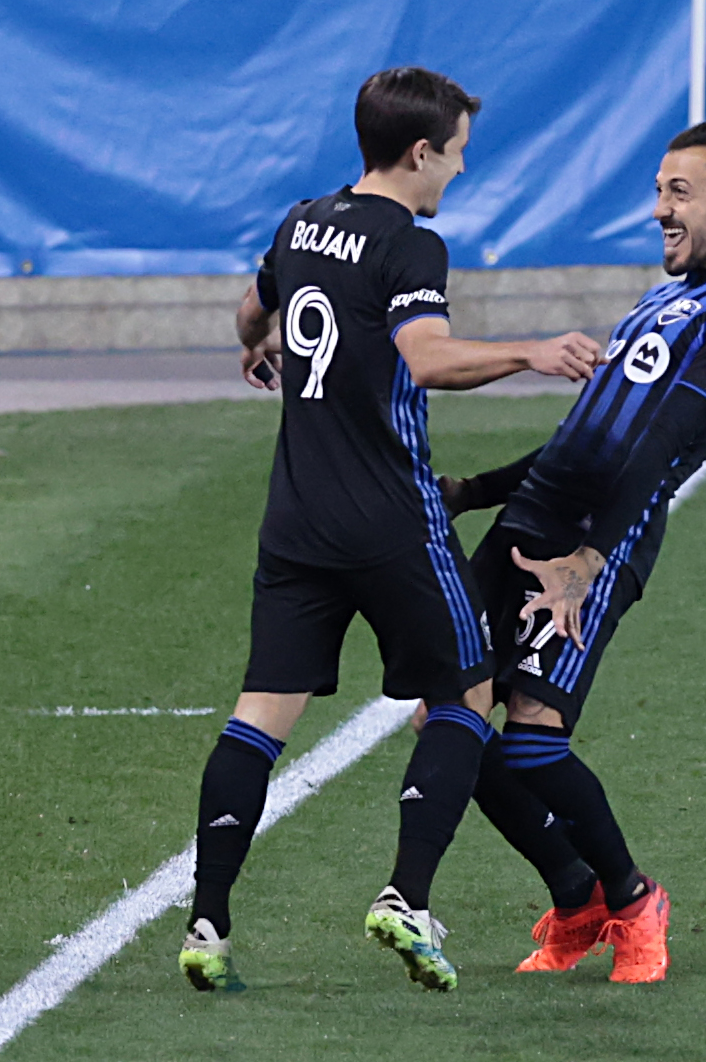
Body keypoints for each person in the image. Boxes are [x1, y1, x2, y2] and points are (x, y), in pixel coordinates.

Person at [177, 65, 601, 993]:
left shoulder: (300, 221)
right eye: (455, 156)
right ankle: (406, 895)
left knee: (260, 716)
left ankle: (207, 919)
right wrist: (533, 350)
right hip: (391, 520)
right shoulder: (411, 246)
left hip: (295, 521)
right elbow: (431, 359)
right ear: (419, 152)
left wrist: (257, 343)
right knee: (468, 692)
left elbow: (254, 311)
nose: (457, 173)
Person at [433, 119, 706, 984]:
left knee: (531, 740)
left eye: (679, 192)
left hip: (603, 537)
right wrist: (472, 492)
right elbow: (587, 434)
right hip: (531, 518)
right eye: (659, 189)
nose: (659, 210)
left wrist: (588, 559)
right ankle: (574, 893)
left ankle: (634, 901)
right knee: (446, 718)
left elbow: (660, 446)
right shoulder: (662, 297)